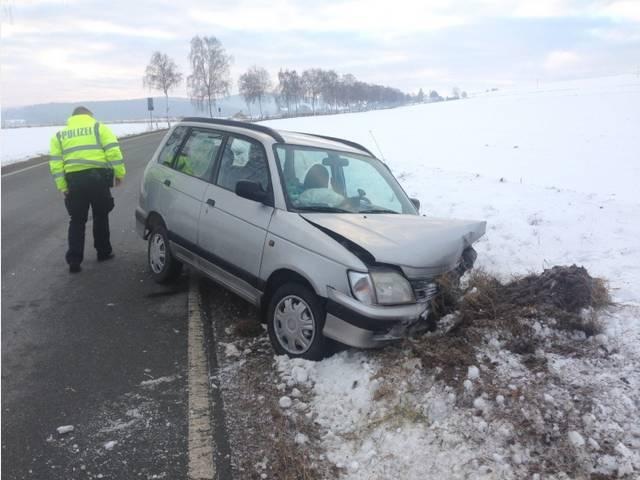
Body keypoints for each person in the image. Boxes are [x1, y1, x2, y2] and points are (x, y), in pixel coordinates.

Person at [49, 106, 126, 273]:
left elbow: (56, 164)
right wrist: (119, 174)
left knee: (76, 220)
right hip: (98, 179)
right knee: (101, 215)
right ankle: (103, 252)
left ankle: (74, 260)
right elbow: (113, 152)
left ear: (73, 117)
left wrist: (62, 186)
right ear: (90, 115)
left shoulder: (60, 135)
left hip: (74, 181)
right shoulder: (99, 128)